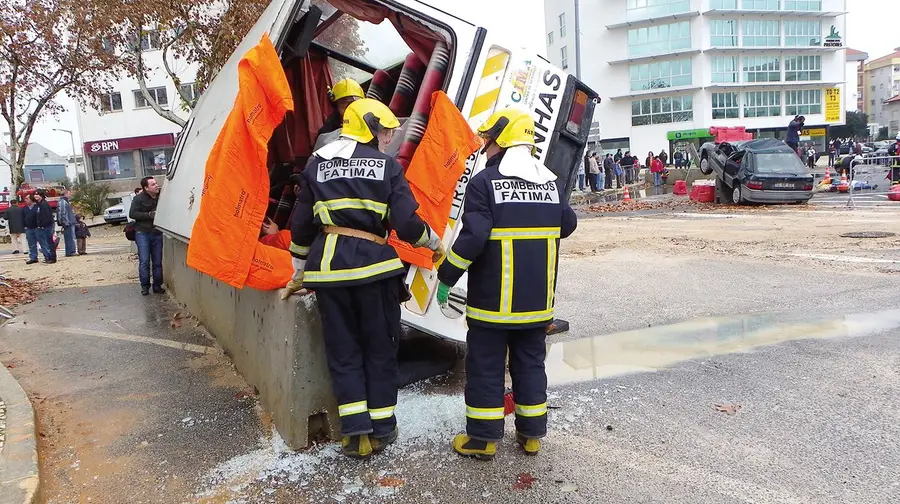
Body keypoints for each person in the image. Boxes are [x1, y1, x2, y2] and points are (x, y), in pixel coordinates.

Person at [282, 98, 444, 459]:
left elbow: (302, 227)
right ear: (371, 128)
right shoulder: (386, 167)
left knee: (344, 351)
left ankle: (355, 434)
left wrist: (298, 272)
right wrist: (434, 243)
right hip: (375, 271)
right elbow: (406, 223)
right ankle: (383, 428)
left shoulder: (316, 166)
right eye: (386, 131)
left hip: (329, 273)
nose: (388, 139)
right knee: (380, 349)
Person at [433, 107, 576, 460]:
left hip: (493, 305)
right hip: (537, 305)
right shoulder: (550, 183)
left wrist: (447, 276)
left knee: (486, 367)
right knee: (530, 365)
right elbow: (568, 223)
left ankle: (482, 440)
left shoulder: (485, 183)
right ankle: (530, 435)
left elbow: (474, 237)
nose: (487, 147)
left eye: (490, 140)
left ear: (502, 140)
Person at [129, 176, 164, 295]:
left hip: (157, 232)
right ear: (146, 188)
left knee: (157, 261)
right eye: (153, 184)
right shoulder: (138, 199)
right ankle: (145, 286)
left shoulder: (161, 196)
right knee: (144, 261)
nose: (156, 186)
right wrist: (149, 215)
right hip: (142, 232)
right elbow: (132, 213)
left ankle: (157, 285)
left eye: (156, 183)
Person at [33, 189, 56, 264]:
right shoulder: (39, 204)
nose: (36, 196)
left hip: (47, 226)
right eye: (35, 194)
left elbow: (46, 216)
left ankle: (52, 258)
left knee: (49, 243)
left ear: (41, 195)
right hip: (43, 226)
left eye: (38, 194)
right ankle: (49, 257)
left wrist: (43, 225)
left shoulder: (44, 204)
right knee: (47, 242)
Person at [57, 188, 77, 257]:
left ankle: (70, 251)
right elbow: (62, 212)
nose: (70, 195)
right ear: (65, 194)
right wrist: (64, 222)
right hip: (68, 223)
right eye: (69, 193)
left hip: (69, 222)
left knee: (70, 238)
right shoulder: (63, 202)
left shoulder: (65, 201)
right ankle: (70, 252)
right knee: (70, 238)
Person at [22, 195, 40, 265]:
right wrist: (24, 226)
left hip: (37, 228)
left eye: (27, 198)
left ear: (31, 199)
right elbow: (22, 218)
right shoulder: (24, 209)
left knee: (42, 242)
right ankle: (33, 257)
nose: (25, 200)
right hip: (28, 228)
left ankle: (47, 256)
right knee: (31, 244)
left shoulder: (37, 207)